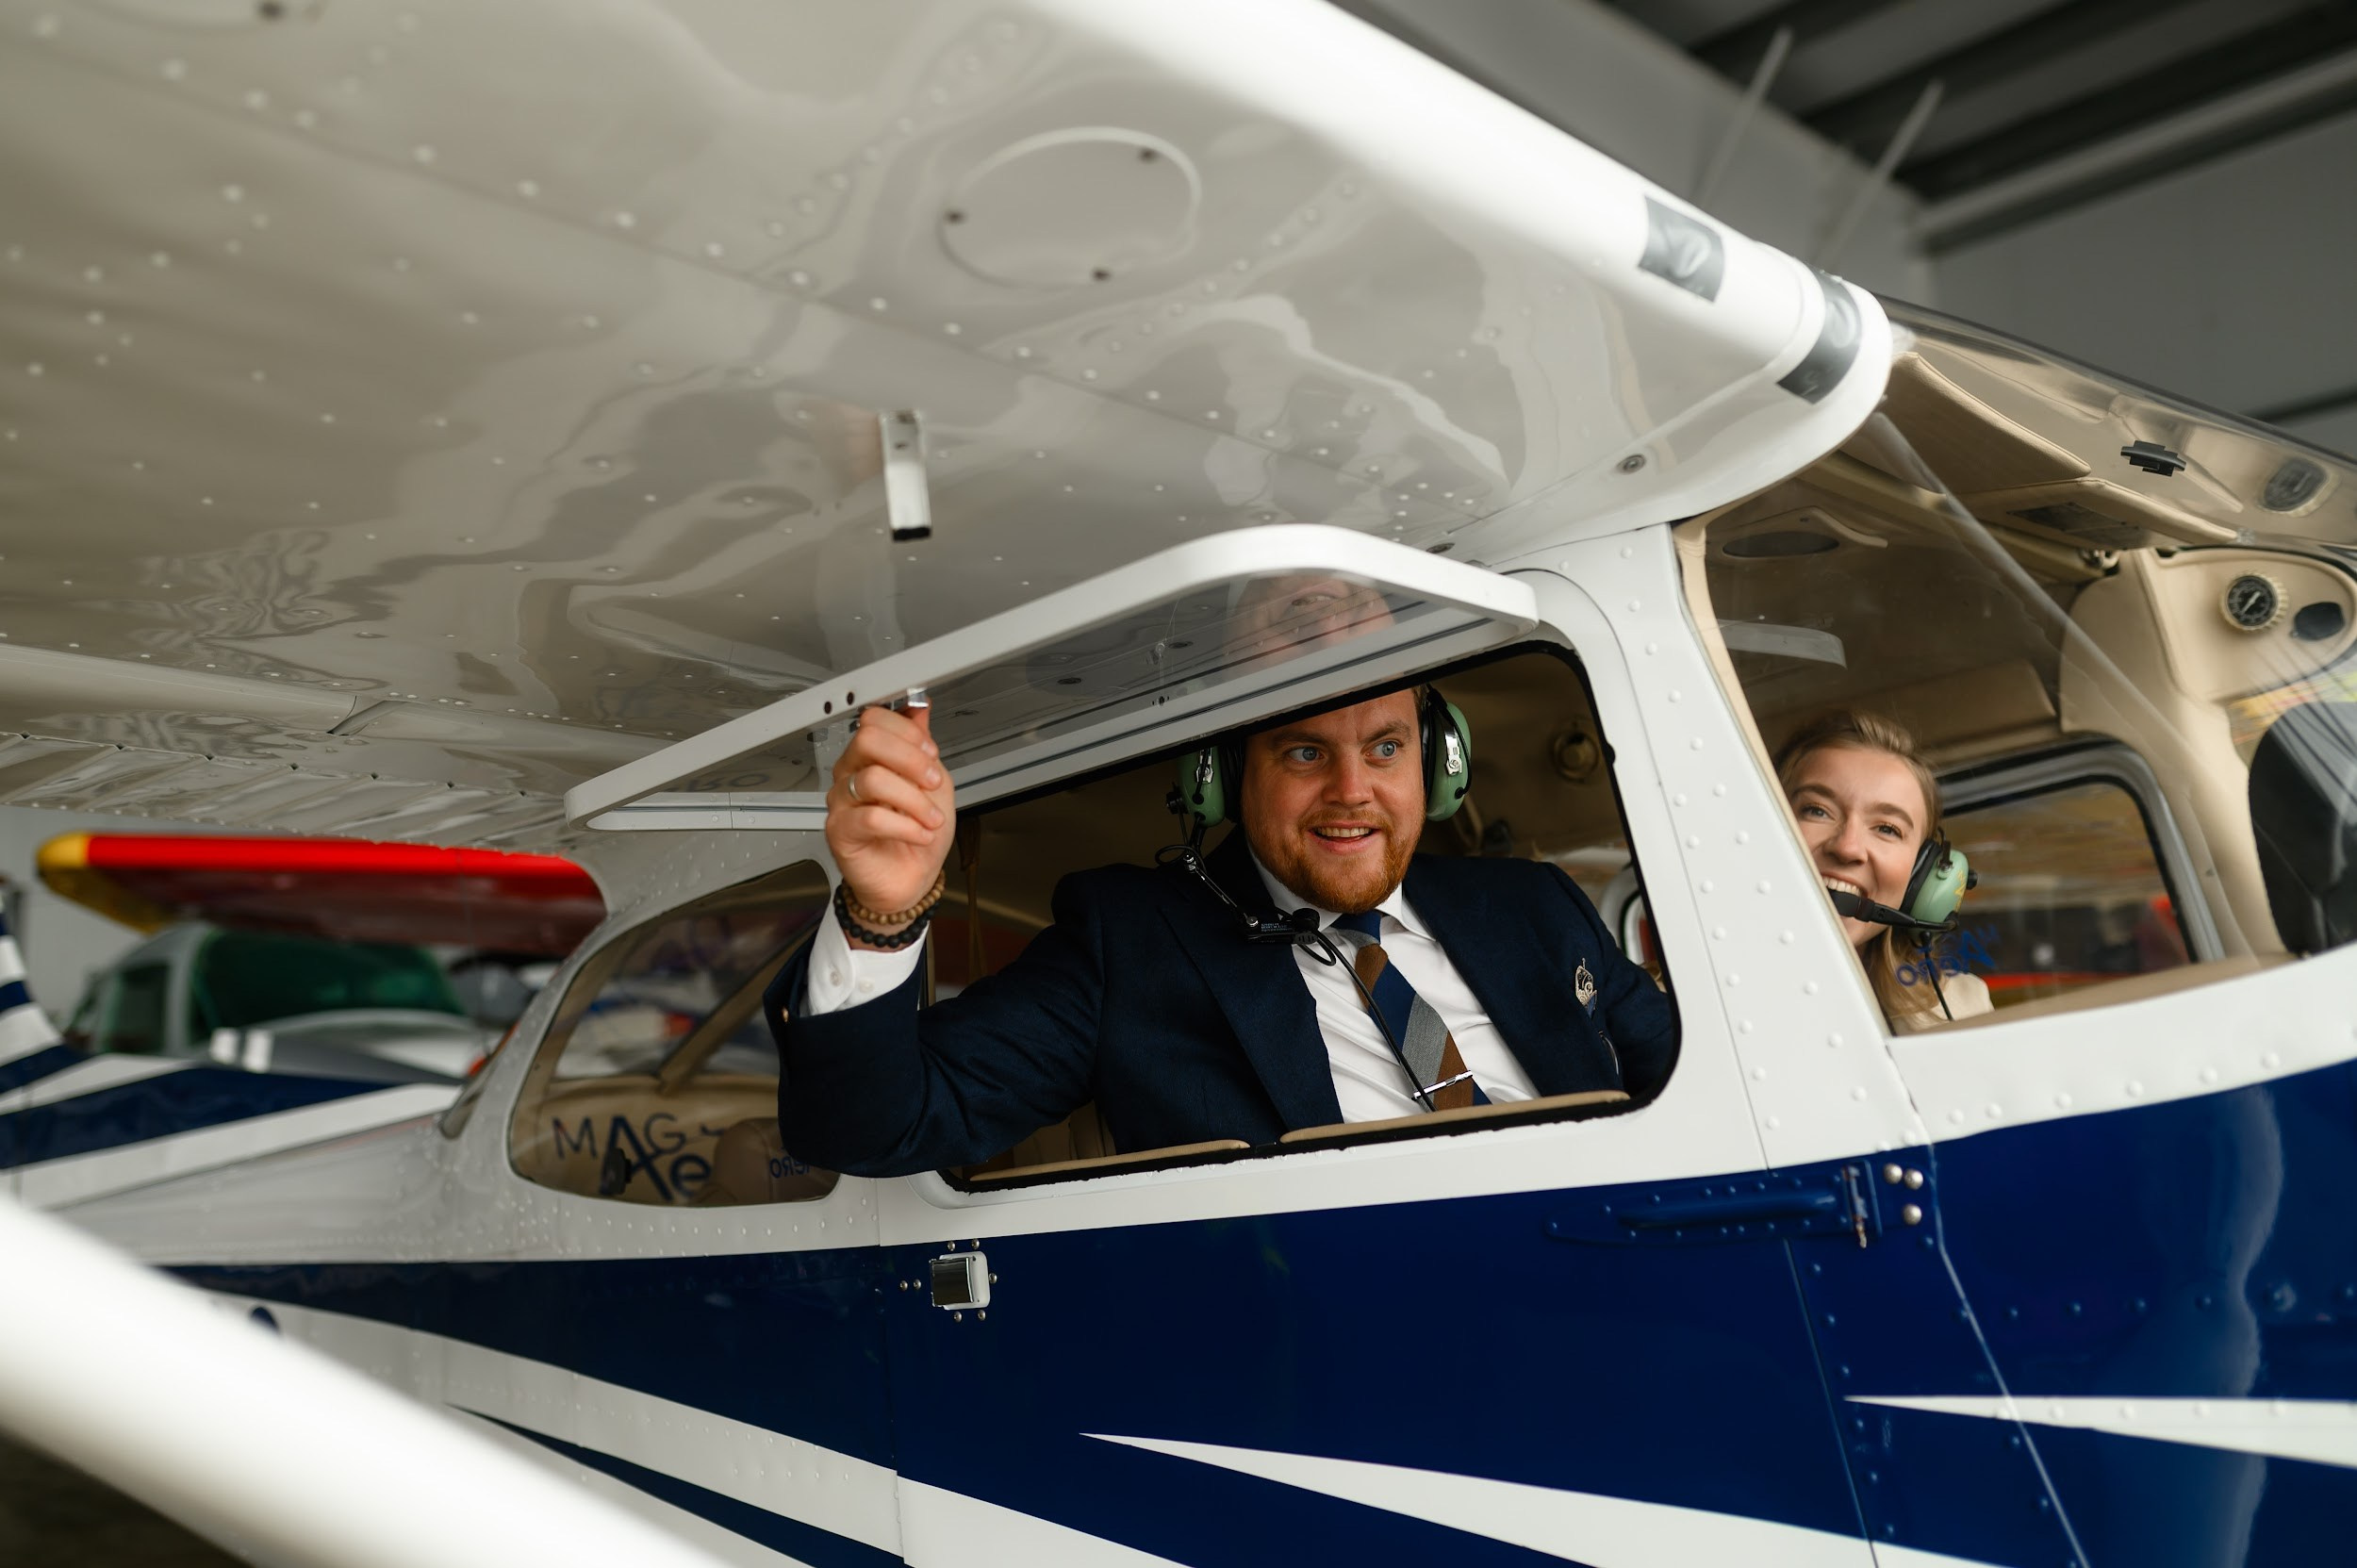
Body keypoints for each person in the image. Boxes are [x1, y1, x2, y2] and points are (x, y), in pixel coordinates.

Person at [766, 685, 1677, 1176]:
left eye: (1386, 747)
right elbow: (873, 1128)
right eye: (1305, 751)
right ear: (1225, 778)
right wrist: (882, 911)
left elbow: (1701, 1078)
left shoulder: (1535, 906)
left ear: (1437, 768)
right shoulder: (1130, 940)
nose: (1354, 790)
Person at [1773, 709, 1992, 1031]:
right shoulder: (1677, 993)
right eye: (1817, 810)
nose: (1847, 848)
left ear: (1923, 874)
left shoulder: (1963, 1011)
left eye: (1887, 829)